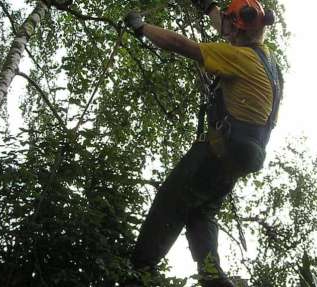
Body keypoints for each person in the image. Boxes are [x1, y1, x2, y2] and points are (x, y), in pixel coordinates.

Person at [124, 0, 282, 286]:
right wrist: (209, 7)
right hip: (238, 160)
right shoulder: (269, 64)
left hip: (216, 153)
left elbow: (179, 44)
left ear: (239, 28)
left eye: (230, 27)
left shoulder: (239, 57)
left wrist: (142, 27)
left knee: (171, 202)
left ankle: (138, 271)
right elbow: (224, 25)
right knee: (201, 213)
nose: (226, 34)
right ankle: (213, 277)